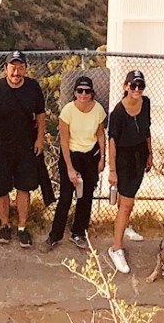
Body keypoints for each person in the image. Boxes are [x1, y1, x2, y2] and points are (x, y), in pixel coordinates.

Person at [0, 51, 46, 248]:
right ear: (6, 69)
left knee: (24, 187)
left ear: (25, 69)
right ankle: (5, 225)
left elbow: (41, 115)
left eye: (20, 67)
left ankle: (22, 228)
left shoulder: (33, 87)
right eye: (13, 67)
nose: (16, 72)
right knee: (0, 188)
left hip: (26, 146)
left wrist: (40, 139)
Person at [42, 76, 106, 252]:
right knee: (66, 197)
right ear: (75, 93)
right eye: (80, 91)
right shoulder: (68, 111)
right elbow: (64, 140)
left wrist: (102, 157)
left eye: (87, 91)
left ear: (92, 93)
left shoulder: (98, 110)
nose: (83, 95)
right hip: (71, 154)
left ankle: (78, 233)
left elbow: (100, 134)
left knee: (86, 197)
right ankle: (54, 236)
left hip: (90, 156)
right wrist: (70, 168)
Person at [107, 70, 152, 274]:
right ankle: (116, 248)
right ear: (125, 86)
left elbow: (147, 131)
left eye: (140, 86)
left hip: (139, 157)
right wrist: (113, 170)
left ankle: (125, 227)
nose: (136, 90)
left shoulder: (146, 104)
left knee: (129, 201)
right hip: (124, 159)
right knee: (126, 204)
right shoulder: (117, 112)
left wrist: (150, 154)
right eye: (133, 86)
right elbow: (112, 142)